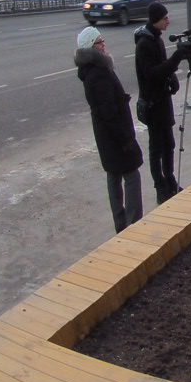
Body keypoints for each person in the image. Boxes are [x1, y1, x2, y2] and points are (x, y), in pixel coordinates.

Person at [75, 25, 143, 232]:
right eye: (100, 41)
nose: (104, 44)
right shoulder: (99, 73)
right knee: (131, 175)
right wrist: (125, 139)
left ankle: (121, 223)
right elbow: (109, 111)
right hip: (115, 134)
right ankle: (133, 223)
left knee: (113, 175)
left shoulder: (93, 70)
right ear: (91, 47)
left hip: (105, 135)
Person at [133, 1, 191, 202]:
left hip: (163, 101)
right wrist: (176, 58)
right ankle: (160, 187)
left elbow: (163, 68)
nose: (168, 21)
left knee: (169, 144)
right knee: (156, 147)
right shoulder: (144, 44)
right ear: (156, 20)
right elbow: (152, 74)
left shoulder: (156, 39)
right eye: (165, 18)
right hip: (153, 104)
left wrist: (172, 78)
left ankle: (170, 180)